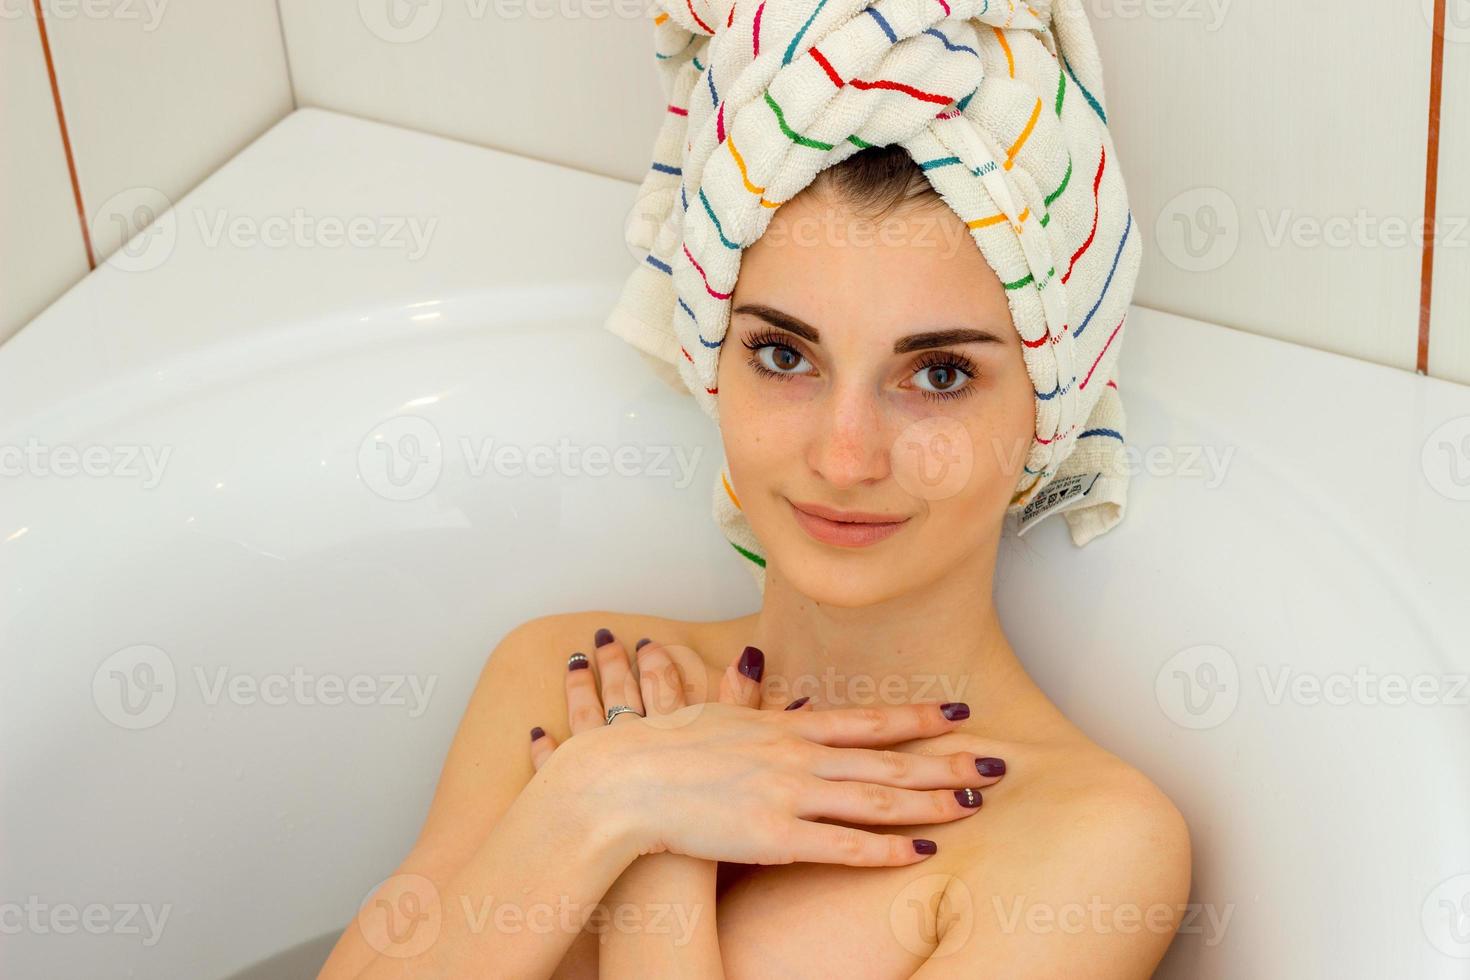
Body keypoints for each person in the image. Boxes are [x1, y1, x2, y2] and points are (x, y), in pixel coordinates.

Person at [320, 0, 1191, 975]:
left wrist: (661, 855)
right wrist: (602, 791)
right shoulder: (563, 679)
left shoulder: (1084, 841)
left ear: (1050, 403)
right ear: (711, 363)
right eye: (783, 354)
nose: (844, 456)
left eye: (938, 374)